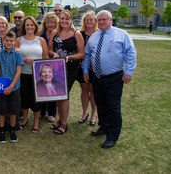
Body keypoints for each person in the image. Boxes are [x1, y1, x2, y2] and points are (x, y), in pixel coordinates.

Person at [83, 10, 136, 149]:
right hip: (97, 77)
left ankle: (112, 135)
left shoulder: (121, 35)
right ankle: (104, 127)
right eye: (98, 19)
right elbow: (87, 55)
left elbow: (130, 53)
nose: (101, 22)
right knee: (101, 104)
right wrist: (84, 70)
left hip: (114, 77)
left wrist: (129, 72)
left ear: (111, 20)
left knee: (113, 107)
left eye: (104, 19)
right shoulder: (94, 37)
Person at [49, 10, 85, 135]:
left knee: (64, 94)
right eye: (62, 18)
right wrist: (53, 54)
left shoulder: (77, 34)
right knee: (59, 94)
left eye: (67, 19)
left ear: (71, 21)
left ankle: (64, 122)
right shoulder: (55, 32)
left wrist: (70, 57)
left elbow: (82, 53)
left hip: (70, 67)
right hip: (57, 67)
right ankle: (60, 120)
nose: (64, 21)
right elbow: (49, 49)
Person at [15, 16, 49, 134]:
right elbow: (14, 56)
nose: (29, 27)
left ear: (35, 26)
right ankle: (25, 120)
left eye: (32, 25)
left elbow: (45, 57)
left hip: (38, 75)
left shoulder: (41, 40)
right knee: (24, 98)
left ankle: (36, 122)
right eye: (27, 25)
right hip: (23, 74)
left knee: (36, 99)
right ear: (24, 27)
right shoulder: (19, 40)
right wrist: (24, 59)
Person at [0, 30, 24, 143]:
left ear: (14, 41)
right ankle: (2, 130)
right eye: (6, 40)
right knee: (2, 109)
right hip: (2, 86)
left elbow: (18, 72)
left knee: (13, 109)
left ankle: (12, 130)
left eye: (11, 41)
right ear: (3, 40)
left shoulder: (17, 54)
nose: (8, 42)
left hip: (14, 86)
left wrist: (11, 86)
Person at [76, 11, 98, 126]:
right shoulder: (80, 34)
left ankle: (93, 114)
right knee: (84, 91)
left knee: (93, 92)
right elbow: (78, 50)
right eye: (86, 20)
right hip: (81, 68)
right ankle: (85, 113)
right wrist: (80, 62)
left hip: (95, 68)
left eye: (91, 20)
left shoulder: (99, 33)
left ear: (95, 21)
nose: (89, 22)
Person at [39, 12, 59, 122]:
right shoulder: (41, 35)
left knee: (52, 87)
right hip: (41, 64)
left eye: (52, 22)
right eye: (48, 22)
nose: (50, 25)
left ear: (56, 23)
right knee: (42, 87)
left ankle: (52, 113)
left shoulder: (59, 34)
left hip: (54, 65)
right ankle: (42, 111)